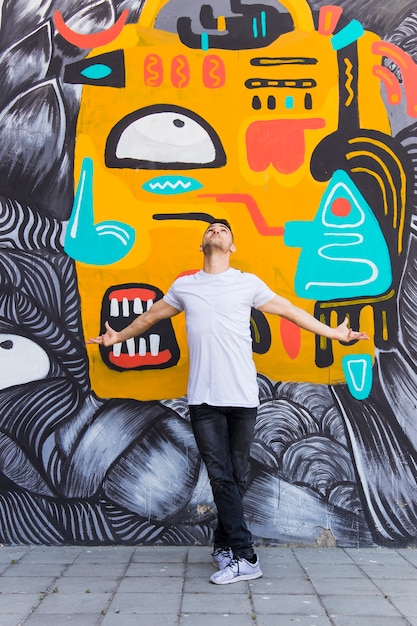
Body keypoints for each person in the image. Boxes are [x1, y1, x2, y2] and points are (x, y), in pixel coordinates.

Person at [89, 219, 369, 585]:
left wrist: (335, 333)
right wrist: (116, 338)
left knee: (235, 478)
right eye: (211, 229)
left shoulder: (246, 283)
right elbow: (149, 317)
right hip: (204, 400)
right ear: (201, 244)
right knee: (221, 477)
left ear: (232, 246)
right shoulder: (185, 287)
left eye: (223, 229)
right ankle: (245, 555)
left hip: (242, 398)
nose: (216, 230)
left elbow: (289, 311)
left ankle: (223, 545)